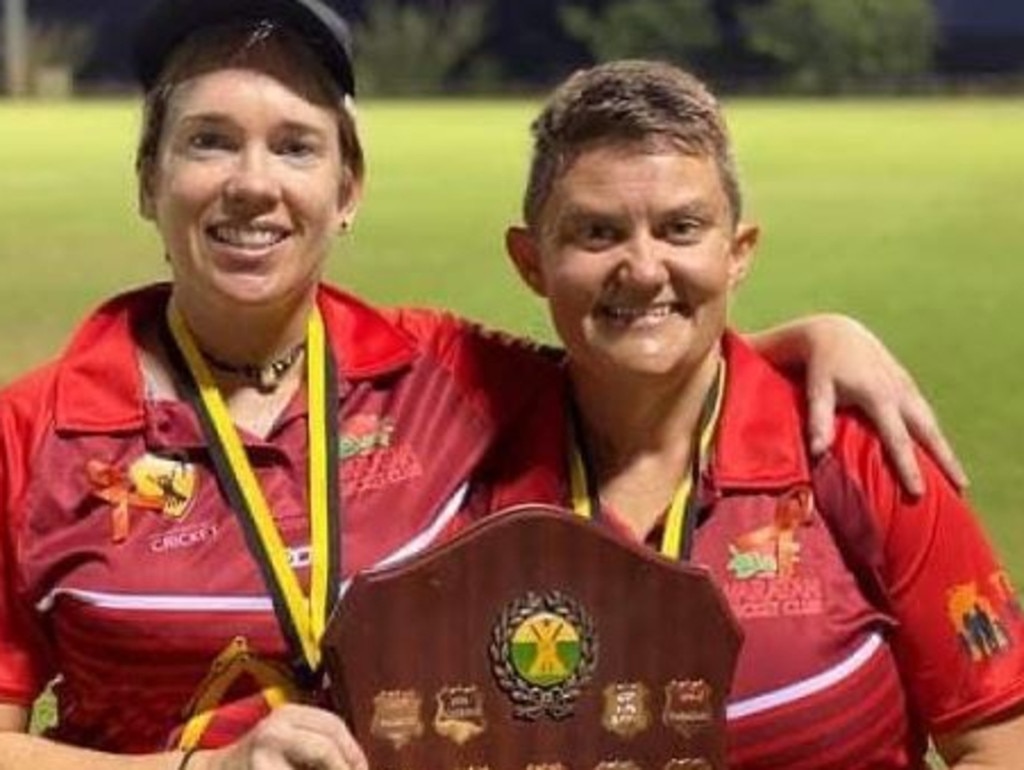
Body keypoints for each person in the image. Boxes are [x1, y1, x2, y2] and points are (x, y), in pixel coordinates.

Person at [0, 2, 968, 769]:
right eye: (208, 140)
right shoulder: (31, 432)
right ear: (146, 181)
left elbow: (639, 347)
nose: (253, 183)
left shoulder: (440, 375)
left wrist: (811, 341)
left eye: (295, 145)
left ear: (347, 192)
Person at [466, 60, 1024, 767]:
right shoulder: (467, 468)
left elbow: (1001, 743)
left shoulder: (858, 453)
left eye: (681, 228)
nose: (643, 268)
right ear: (530, 261)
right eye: (597, 234)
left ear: (737, 253)